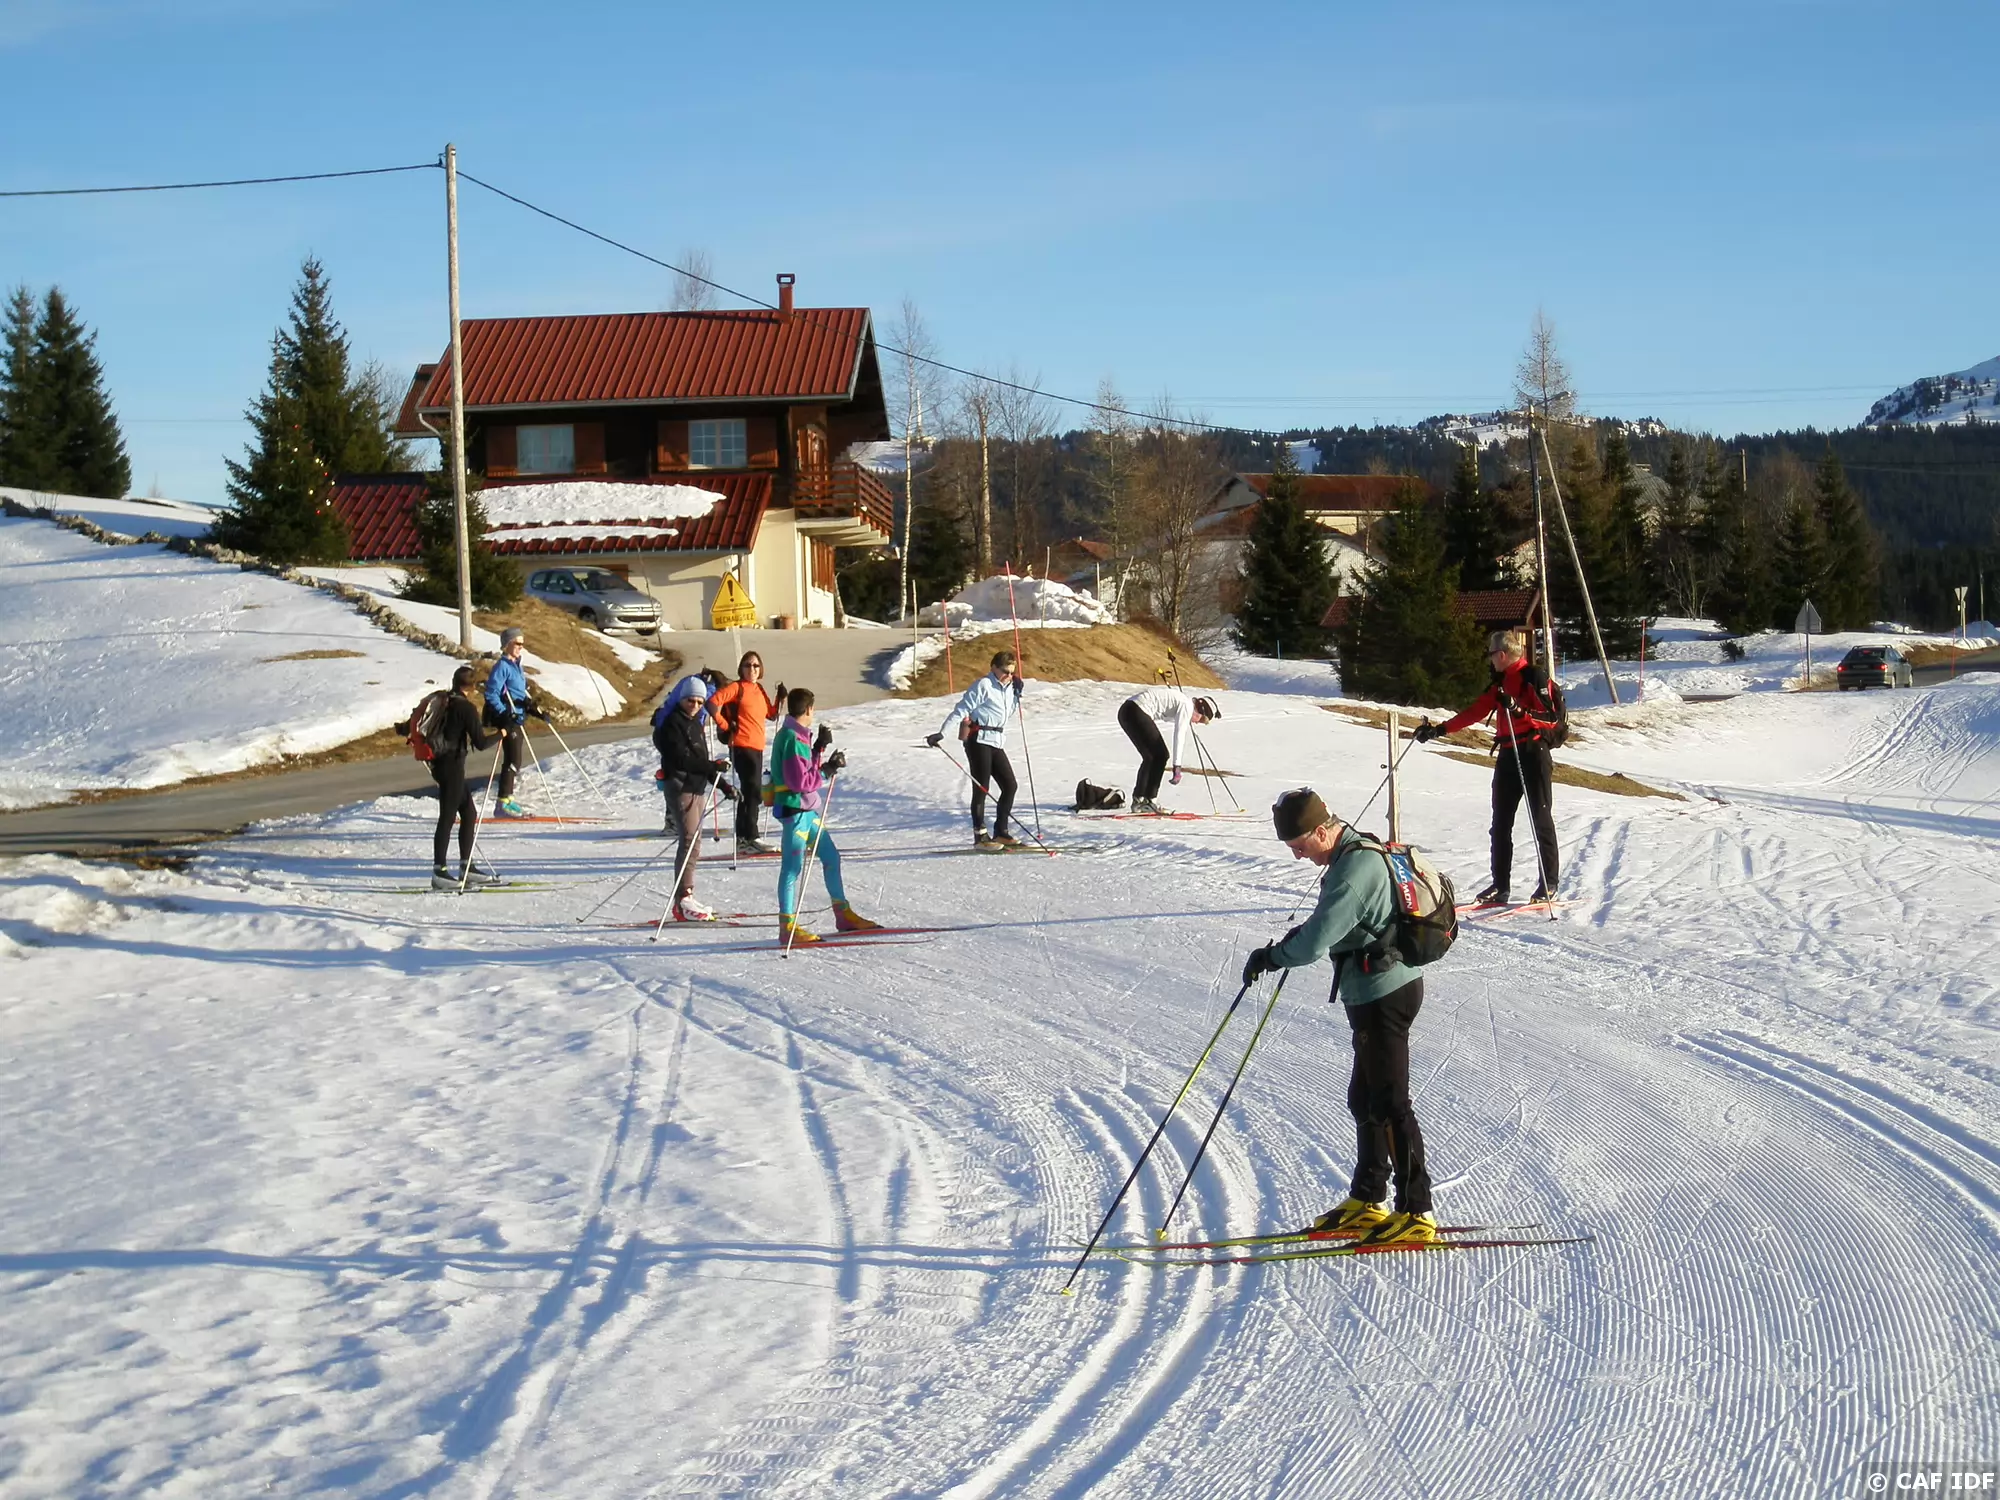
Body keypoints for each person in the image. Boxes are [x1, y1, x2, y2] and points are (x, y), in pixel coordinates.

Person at [1240, 788, 1437, 1246]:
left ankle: (1417, 1210)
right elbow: (1332, 924)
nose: (1298, 855)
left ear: (1322, 830)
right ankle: (1368, 1199)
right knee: (1364, 1099)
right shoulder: (1351, 853)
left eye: (1299, 845)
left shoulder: (1353, 869)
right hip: (1372, 990)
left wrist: (1273, 957)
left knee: (1390, 1103)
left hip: (1385, 993)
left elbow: (1314, 944)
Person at [1412, 629, 1560, 904]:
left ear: (1501, 654)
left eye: (1491, 654)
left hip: (1532, 751)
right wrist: (1439, 730)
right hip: (1507, 753)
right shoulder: (1500, 681)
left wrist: (1517, 709)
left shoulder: (1533, 676)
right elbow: (1476, 711)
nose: (1490, 660)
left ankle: (1549, 883)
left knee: (1540, 819)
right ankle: (1500, 885)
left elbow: (1550, 718)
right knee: (1500, 823)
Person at [771, 687, 879, 944]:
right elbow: (799, 782)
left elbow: (804, 769)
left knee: (831, 857)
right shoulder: (791, 738)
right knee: (792, 868)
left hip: (807, 811)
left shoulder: (797, 735)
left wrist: (819, 748)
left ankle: (843, 914)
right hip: (796, 811)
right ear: (809, 709)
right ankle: (787, 926)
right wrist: (827, 770)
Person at [652, 675, 736, 921]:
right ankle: (682, 900)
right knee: (689, 840)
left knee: (694, 842)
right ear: (682, 698)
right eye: (691, 700)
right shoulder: (673, 724)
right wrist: (713, 766)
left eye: (700, 702)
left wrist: (724, 786)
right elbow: (681, 759)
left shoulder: (695, 723)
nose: (695, 705)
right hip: (680, 786)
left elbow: (701, 761)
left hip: (696, 787)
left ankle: (686, 895)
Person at [926, 650, 1024, 848]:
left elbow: (1007, 713)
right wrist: (942, 733)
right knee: (982, 787)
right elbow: (961, 709)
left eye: (1012, 672)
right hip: (978, 740)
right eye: (1005, 671)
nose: (1008, 676)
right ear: (994, 668)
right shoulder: (983, 685)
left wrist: (1017, 694)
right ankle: (980, 836)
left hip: (996, 740)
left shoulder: (1009, 687)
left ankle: (1001, 832)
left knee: (1010, 786)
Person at [428, 664, 499, 891]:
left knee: (469, 813)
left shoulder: (444, 700)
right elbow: (480, 742)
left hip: (443, 764)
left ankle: (466, 867)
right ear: (472, 687)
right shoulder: (465, 708)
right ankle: (439, 872)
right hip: (451, 765)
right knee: (447, 818)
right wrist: (502, 734)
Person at [709, 651, 786, 855]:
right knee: (753, 791)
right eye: (748, 665)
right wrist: (725, 726)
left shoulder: (758, 689)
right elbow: (712, 703)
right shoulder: (737, 687)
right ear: (741, 668)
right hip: (741, 744)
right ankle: (750, 836)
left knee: (750, 791)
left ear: (761, 669)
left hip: (757, 746)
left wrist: (780, 697)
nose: (752, 669)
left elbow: (771, 714)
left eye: (755, 666)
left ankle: (744, 838)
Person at [1117, 687, 1219, 813]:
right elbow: (1179, 735)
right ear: (1199, 710)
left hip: (1126, 711)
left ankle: (1140, 800)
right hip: (1137, 710)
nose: (1198, 723)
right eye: (1202, 719)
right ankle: (1149, 801)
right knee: (1161, 755)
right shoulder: (1187, 706)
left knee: (1151, 757)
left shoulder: (1182, 701)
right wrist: (1177, 766)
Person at [482, 627, 542, 818]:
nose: (520, 647)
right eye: (517, 643)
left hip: (518, 716)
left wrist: (529, 706)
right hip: (509, 719)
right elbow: (491, 693)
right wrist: (504, 713)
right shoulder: (502, 666)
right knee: (513, 760)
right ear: (507, 644)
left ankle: (507, 800)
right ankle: (502, 803)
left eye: (522, 644)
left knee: (515, 760)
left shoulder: (516, 665)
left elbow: (518, 692)